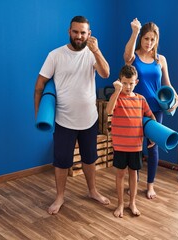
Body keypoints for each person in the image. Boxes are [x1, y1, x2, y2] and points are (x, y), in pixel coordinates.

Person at [34, 16, 110, 215]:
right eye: (75, 32)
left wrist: (97, 50)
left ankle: (93, 191)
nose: (79, 36)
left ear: (89, 34)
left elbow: (106, 73)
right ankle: (59, 196)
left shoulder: (92, 54)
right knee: (61, 161)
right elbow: (39, 85)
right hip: (63, 120)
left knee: (90, 159)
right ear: (69, 31)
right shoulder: (55, 55)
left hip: (89, 119)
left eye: (83, 32)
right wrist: (38, 114)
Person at [123, 18, 178, 199]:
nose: (149, 43)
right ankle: (135, 181)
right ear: (141, 38)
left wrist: (177, 98)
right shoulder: (134, 57)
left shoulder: (160, 60)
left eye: (152, 39)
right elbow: (126, 57)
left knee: (152, 147)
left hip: (155, 109)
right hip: (135, 108)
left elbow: (167, 84)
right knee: (135, 148)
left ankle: (150, 185)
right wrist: (134, 31)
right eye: (146, 38)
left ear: (157, 40)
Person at [106, 64, 156, 218]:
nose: (128, 87)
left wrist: (153, 134)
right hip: (120, 146)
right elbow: (108, 110)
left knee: (133, 174)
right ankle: (120, 203)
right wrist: (116, 91)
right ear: (120, 81)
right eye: (125, 83)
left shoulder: (141, 100)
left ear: (137, 82)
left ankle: (132, 202)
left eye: (131, 83)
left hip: (135, 146)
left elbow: (151, 117)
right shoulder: (117, 98)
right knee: (120, 174)